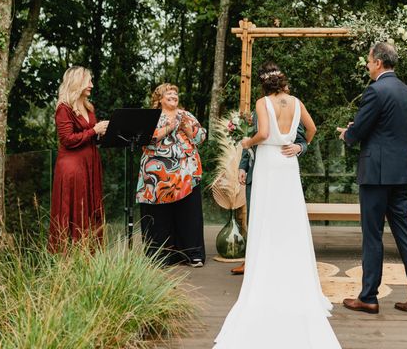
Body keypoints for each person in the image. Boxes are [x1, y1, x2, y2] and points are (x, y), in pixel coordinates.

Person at [214, 63, 341, 349]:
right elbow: (312, 129)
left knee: (266, 219)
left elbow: (263, 132)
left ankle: (267, 274)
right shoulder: (296, 102)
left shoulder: (262, 102)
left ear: (264, 86)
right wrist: (300, 146)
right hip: (288, 162)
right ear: (283, 83)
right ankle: (293, 276)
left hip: (269, 163)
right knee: (290, 220)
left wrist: (247, 142)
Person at [337, 42, 407, 315]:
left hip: (376, 173)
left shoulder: (375, 90)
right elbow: (391, 129)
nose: (367, 65)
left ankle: (368, 297)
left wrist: (348, 133)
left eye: (369, 60)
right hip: (400, 172)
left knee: (373, 235)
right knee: (405, 233)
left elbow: (361, 131)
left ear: (378, 62)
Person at [136, 83, 207, 267]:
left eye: (176, 93)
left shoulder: (186, 115)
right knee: (160, 216)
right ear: (159, 98)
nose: (174, 95)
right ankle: (160, 256)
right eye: (169, 93)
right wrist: (169, 128)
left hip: (185, 173)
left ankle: (192, 254)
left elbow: (201, 138)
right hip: (157, 175)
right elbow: (145, 139)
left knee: (188, 213)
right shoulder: (151, 117)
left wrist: (187, 128)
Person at [230, 115, 309, 276]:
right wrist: (243, 167)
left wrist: (300, 147)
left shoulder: (292, 109)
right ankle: (251, 261)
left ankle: (280, 262)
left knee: (280, 219)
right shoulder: (258, 110)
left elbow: (303, 138)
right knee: (255, 219)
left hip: (280, 172)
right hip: (255, 172)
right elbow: (251, 139)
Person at [49, 66, 109, 252]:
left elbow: (90, 135)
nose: (91, 84)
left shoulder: (88, 107)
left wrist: (101, 133)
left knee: (90, 206)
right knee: (75, 207)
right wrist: (94, 130)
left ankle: (90, 253)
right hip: (72, 166)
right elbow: (67, 140)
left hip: (90, 163)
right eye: (88, 81)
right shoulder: (63, 108)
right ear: (77, 82)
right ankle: (69, 255)